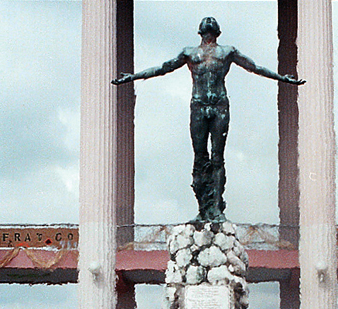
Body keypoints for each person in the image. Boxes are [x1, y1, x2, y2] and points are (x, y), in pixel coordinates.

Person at [112, 17, 305, 223]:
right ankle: (203, 208)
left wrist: (282, 78)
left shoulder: (227, 52)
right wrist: (133, 77)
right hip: (198, 105)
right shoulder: (189, 53)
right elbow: (163, 68)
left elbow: (254, 67)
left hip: (219, 105)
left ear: (216, 32)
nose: (209, 26)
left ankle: (216, 207)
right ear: (202, 33)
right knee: (199, 158)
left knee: (217, 157)